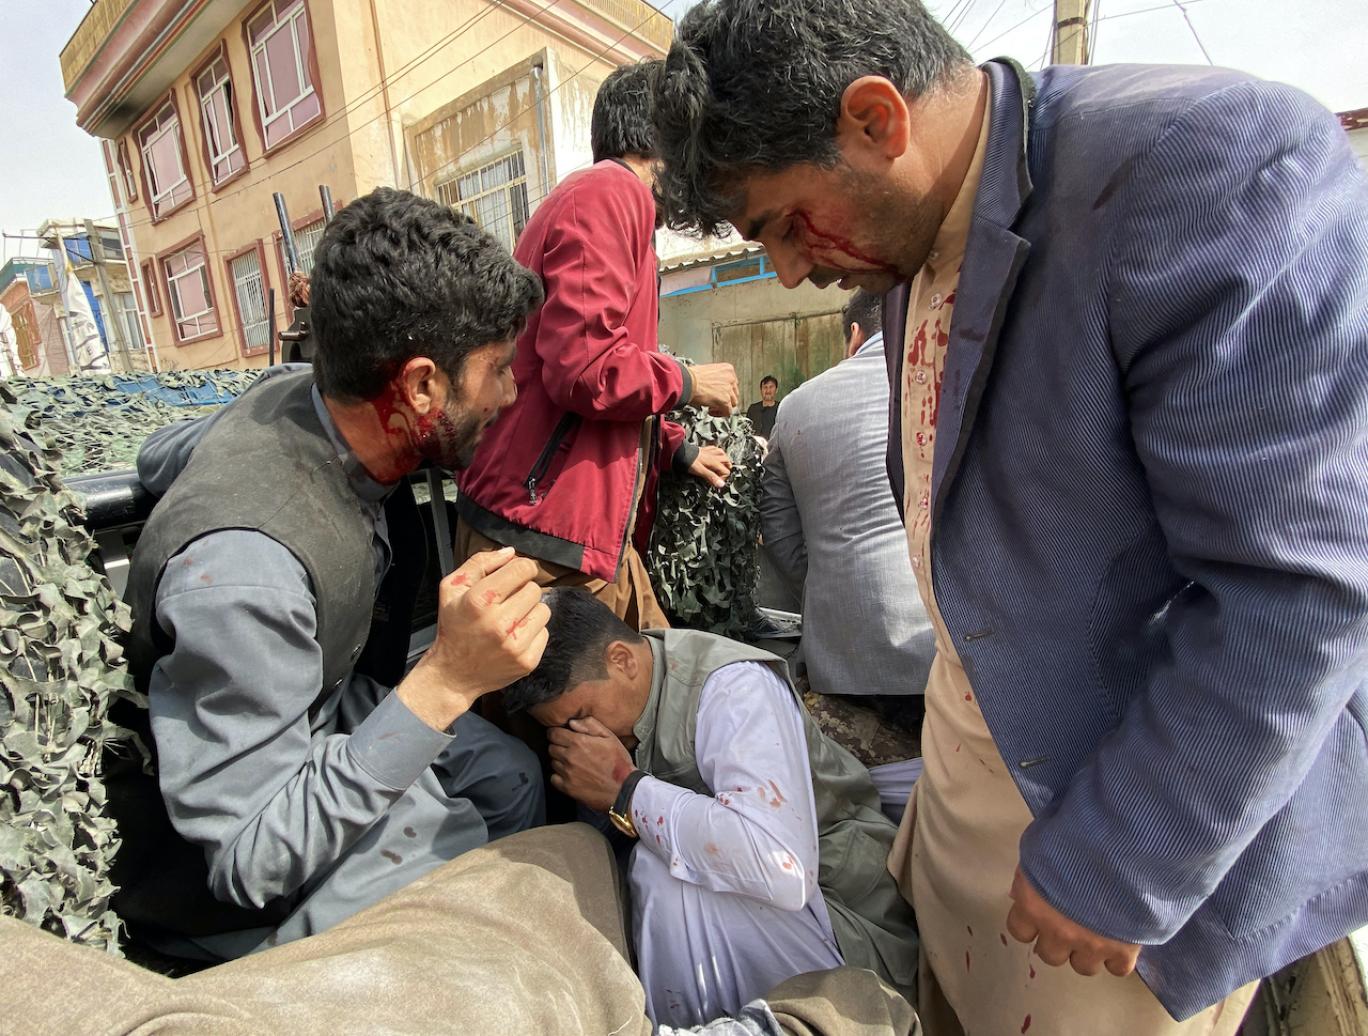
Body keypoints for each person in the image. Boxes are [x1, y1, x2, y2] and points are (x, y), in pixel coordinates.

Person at [652, 3, 1368, 1035]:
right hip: (967, 800)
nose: (794, 271)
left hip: (1112, 830)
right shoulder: (907, 241)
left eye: (786, 224)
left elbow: (1300, 589)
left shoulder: (1205, 167)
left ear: (875, 121)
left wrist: (1125, 853)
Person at [111, 188, 552, 963]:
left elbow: (156, 456)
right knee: (461, 848)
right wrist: (448, 679)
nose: (510, 394)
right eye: (496, 370)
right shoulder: (248, 572)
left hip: (325, 701)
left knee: (512, 775)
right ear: (421, 387)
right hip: (226, 870)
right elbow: (249, 856)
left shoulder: (286, 395)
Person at [502, 587, 919, 1028]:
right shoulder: (613, 718)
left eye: (581, 714)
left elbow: (782, 869)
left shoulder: (733, 689)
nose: (578, 735)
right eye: (560, 729)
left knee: (662, 872)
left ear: (621, 660)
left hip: (854, 939)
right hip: (777, 928)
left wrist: (627, 790)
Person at [455, 61, 739, 629]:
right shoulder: (609, 193)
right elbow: (586, 368)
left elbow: (605, 365)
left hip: (571, 533)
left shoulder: (613, 205)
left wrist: (675, 448)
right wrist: (689, 381)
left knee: (655, 666)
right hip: (541, 540)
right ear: (662, 137)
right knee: (618, 682)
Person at [761, 289, 933, 722]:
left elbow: (780, 536)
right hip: (947, 650)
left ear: (854, 335)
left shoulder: (795, 406)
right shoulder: (939, 382)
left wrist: (830, 588)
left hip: (841, 657)